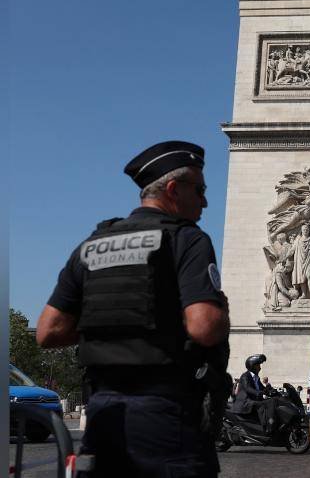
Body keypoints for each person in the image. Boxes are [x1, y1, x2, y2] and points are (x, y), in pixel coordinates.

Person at [35, 140, 230, 477]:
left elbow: (47, 332)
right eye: (199, 190)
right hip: (166, 414)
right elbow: (204, 327)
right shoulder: (187, 239)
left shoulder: (92, 245)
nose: (205, 201)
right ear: (173, 190)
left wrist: (109, 322)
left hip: (103, 413)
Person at [234, 354, 277, 433]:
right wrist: (259, 393)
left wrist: (272, 391)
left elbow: (262, 388)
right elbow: (248, 388)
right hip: (245, 402)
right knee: (263, 404)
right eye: (258, 365)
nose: (260, 367)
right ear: (252, 366)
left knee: (272, 401)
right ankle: (266, 427)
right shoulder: (245, 376)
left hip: (251, 401)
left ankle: (272, 423)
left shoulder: (256, 377)